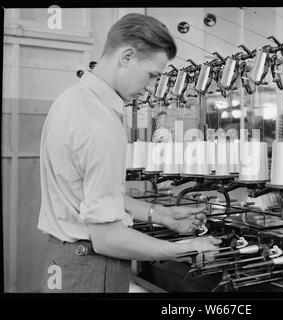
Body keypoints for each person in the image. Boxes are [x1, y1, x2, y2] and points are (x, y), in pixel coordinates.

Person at [38, 13, 221, 293]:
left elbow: (94, 196)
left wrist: (160, 214)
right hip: (92, 265)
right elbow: (107, 238)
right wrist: (185, 249)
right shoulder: (100, 124)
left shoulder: (70, 100)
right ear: (126, 56)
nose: (150, 88)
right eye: (151, 75)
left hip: (63, 260)